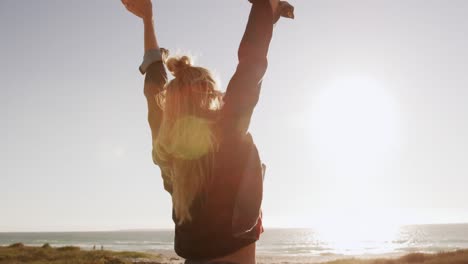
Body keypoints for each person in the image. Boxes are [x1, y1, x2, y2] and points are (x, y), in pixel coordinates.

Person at [122, 0, 293, 263]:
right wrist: (264, 8)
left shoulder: (167, 148)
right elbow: (251, 62)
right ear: (210, 95)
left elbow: (154, 85)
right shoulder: (227, 132)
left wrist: (147, 19)